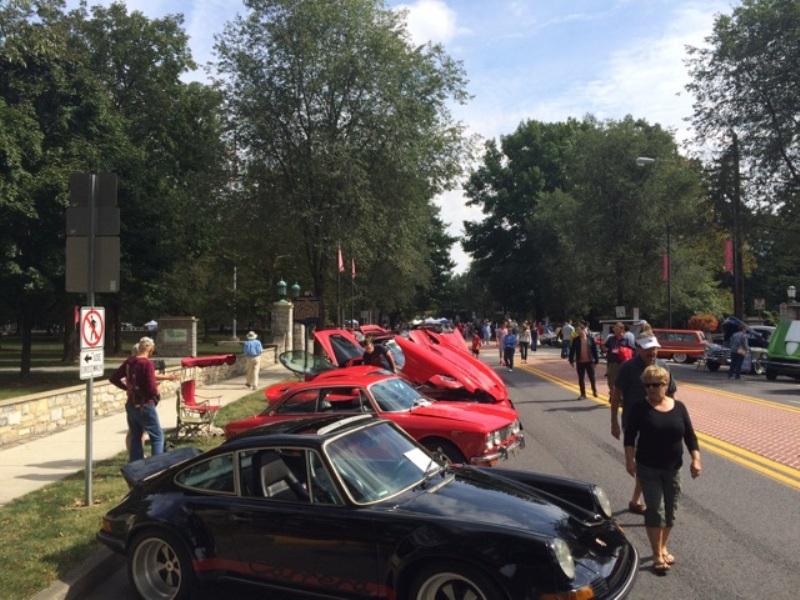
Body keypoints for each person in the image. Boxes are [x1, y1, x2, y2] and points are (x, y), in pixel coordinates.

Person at [624, 365, 701, 574]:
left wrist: (696, 460)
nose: (650, 389)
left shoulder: (679, 407)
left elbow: (690, 437)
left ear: (666, 385)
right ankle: (657, 554)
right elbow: (629, 437)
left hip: (673, 468)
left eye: (655, 385)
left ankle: (663, 545)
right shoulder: (640, 408)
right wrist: (629, 460)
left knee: (670, 511)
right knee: (655, 511)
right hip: (648, 468)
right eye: (647, 385)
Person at [611, 333, 677, 515]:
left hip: (659, 423)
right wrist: (614, 422)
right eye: (648, 349)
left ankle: (636, 500)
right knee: (645, 462)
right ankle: (649, 502)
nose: (652, 352)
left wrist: (673, 418)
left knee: (650, 461)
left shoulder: (663, 366)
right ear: (639, 349)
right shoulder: (628, 368)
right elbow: (616, 394)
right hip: (635, 424)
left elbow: (671, 394)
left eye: (655, 348)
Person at [110, 337, 174, 462]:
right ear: (150, 349)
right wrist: (155, 392)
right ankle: (157, 466)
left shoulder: (129, 362)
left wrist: (127, 389)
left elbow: (113, 378)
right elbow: (151, 388)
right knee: (157, 436)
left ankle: (136, 465)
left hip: (131, 404)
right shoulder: (147, 363)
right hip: (145, 405)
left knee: (136, 435)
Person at [569, 324, 599, 399]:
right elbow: (572, 350)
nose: (578, 332)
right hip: (580, 362)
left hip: (589, 361)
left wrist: (596, 360)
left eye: (579, 330)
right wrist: (571, 360)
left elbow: (594, 350)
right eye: (577, 330)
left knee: (592, 377)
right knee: (581, 378)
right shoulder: (576, 339)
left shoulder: (590, 339)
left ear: (583, 330)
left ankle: (594, 391)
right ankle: (583, 394)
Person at [605, 322, 634, 392]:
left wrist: (624, 351)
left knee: (623, 382)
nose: (614, 330)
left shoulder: (627, 340)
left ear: (622, 329)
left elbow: (633, 350)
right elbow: (605, 348)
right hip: (612, 364)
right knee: (611, 382)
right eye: (614, 328)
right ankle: (613, 396)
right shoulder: (611, 339)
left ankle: (621, 399)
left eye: (616, 328)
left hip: (623, 364)